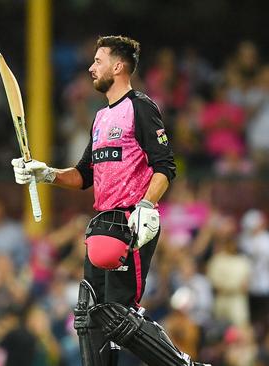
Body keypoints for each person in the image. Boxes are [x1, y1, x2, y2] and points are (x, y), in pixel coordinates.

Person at [11, 35, 207, 366]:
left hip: (131, 222)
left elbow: (165, 167)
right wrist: (45, 173)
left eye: (98, 61)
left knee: (118, 314)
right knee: (89, 314)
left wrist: (146, 206)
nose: (90, 68)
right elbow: (84, 175)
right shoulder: (101, 118)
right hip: (102, 222)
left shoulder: (140, 107)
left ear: (118, 67)